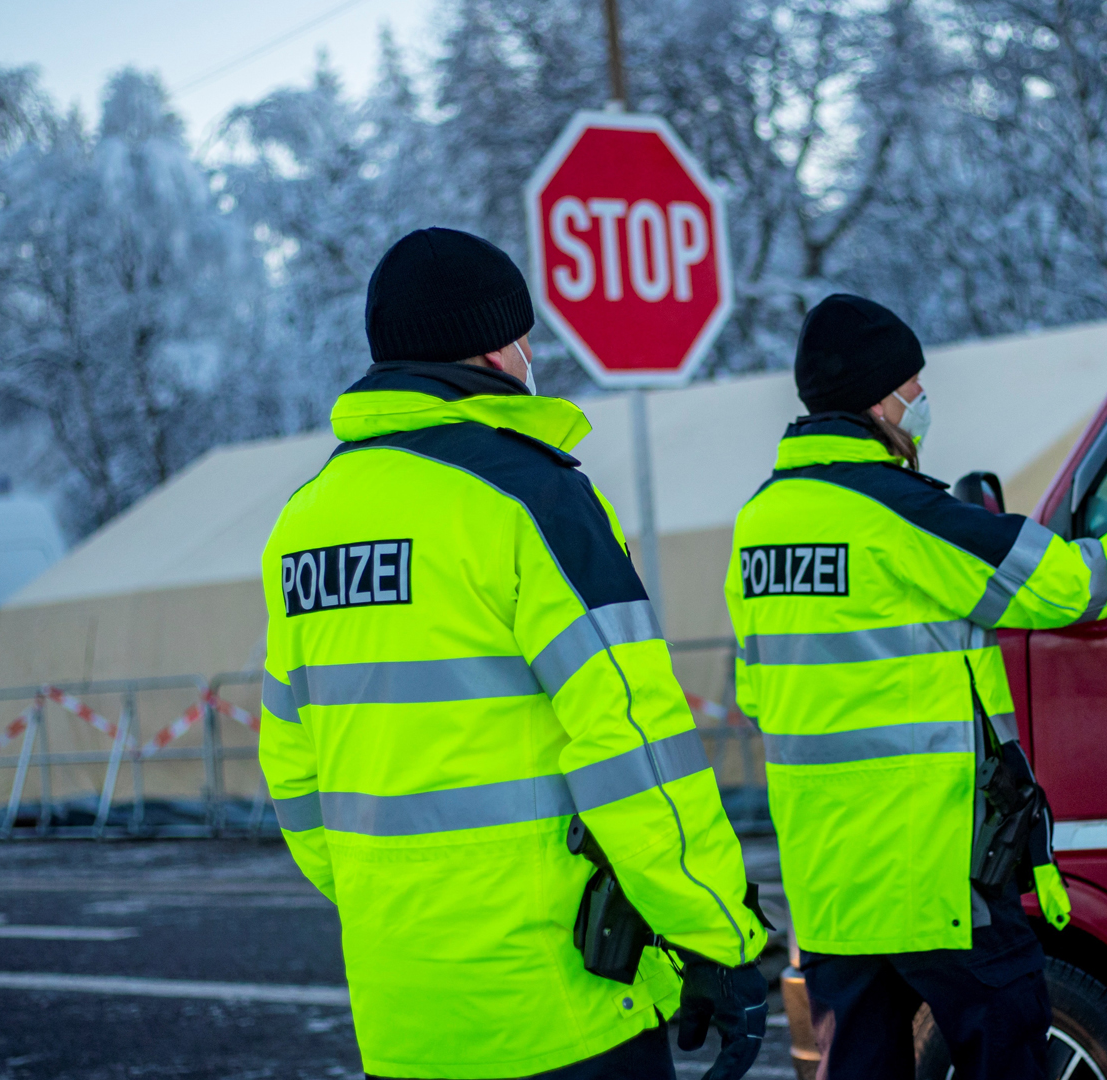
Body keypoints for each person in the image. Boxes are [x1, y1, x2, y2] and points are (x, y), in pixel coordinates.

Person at [257, 228, 767, 1080]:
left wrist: (397, 903)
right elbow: (633, 744)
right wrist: (718, 932)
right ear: (496, 346)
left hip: (402, 1014)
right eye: (525, 336)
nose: (532, 354)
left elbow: (292, 766)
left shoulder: (307, 521)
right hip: (557, 1007)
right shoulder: (533, 496)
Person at [725, 294, 1107, 1080]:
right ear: (878, 398)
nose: (920, 402)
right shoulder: (904, 513)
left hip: (827, 884)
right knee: (1008, 1045)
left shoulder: (760, 521)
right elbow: (1064, 585)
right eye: (913, 386)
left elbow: (758, 692)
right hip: (931, 872)